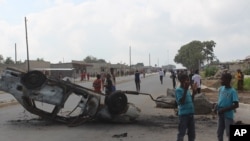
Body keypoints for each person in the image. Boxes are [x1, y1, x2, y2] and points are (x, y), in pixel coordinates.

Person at [216, 73, 239, 141]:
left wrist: (224, 109)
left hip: (228, 115)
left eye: (222, 79)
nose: (221, 80)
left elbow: (236, 105)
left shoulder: (233, 91)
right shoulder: (221, 89)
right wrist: (216, 106)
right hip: (220, 114)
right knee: (219, 132)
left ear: (227, 80)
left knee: (229, 133)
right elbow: (220, 100)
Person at [175, 73, 197, 141]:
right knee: (181, 133)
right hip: (183, 115)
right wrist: (185, 90)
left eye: (189, 80)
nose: (188, 81)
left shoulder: (187, 90)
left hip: (190, 114)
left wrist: (193, 92)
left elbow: (191, 101)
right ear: (181, 80)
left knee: (192, 134)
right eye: (187, 80)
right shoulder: (179, 90)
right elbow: (181, 102)